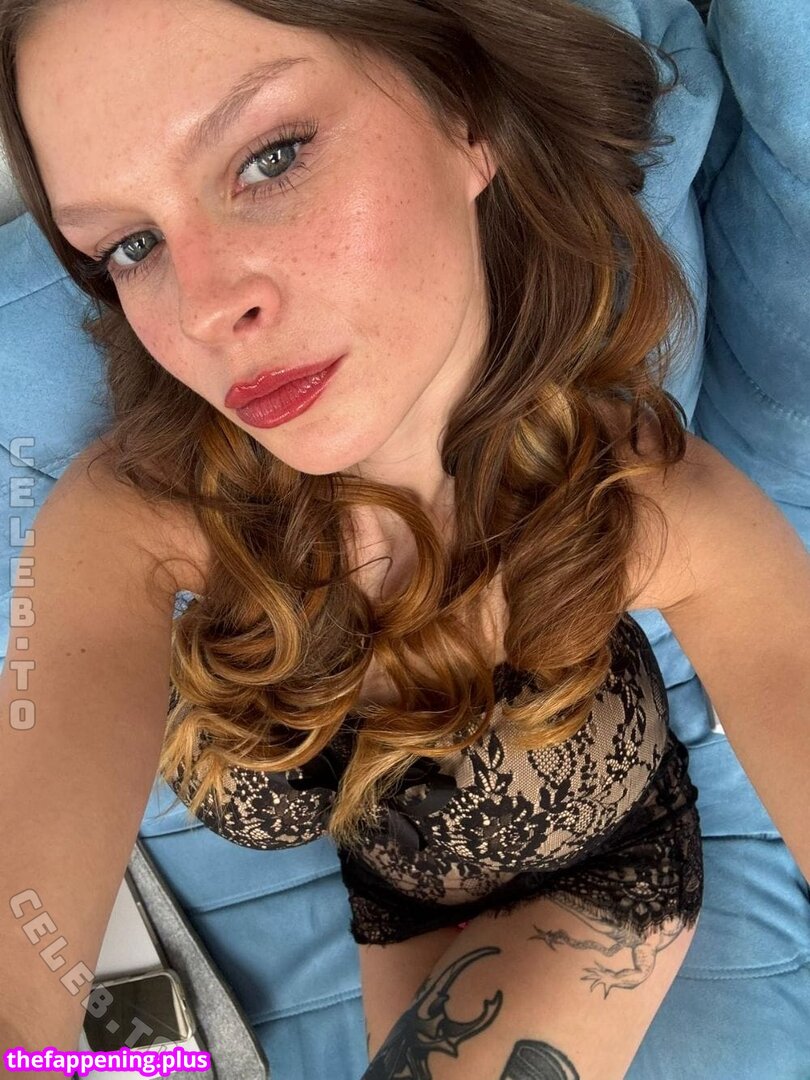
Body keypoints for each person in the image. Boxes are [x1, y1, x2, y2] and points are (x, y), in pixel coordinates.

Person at [0, 1, 807, 1078]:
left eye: (271, 157)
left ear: (465, 112)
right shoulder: (130, 524)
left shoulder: (647, 503)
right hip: (391, 901)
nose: (202, 310)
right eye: (131, 245)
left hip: (603, 877)